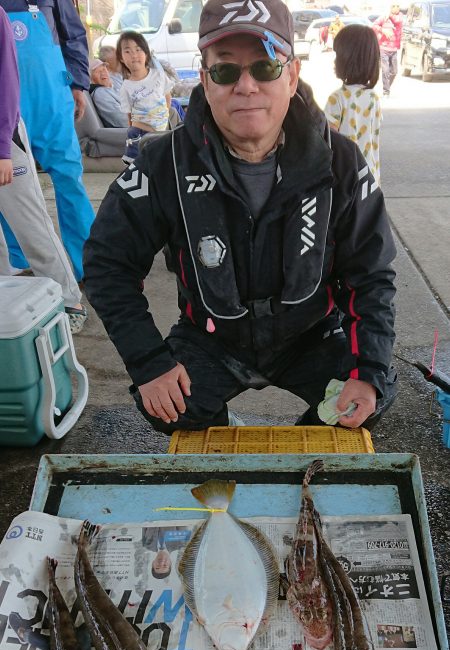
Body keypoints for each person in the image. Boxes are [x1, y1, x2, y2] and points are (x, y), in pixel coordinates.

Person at [83, 0, 397, 434]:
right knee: (169, 408)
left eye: (265, 68)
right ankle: (220, 438)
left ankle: (305, 448)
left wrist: (368, 370)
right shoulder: (161, 162)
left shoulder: (341, 161)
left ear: (291, 75)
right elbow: (108, 264)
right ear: (206, 80)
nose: (245, 85)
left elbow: (373, 273)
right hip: (210, 337)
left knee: (367, 399)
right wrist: (149, 361)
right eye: (226, 71)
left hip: (312, 334)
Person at [0, 6, 87, 333]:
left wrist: (79, 82)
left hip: (17, 123)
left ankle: (74, 290)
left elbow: (6, 78)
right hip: (10, 120)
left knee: (38, 210)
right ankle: (12, 293)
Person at [324, 24, 382, 185]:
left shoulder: (338, 98)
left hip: (346, 181)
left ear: (347, 58)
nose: (334, 61)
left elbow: (326, 142)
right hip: (370, 178)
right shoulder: (373, 97)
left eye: (337, 55)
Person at [116, 30, 174, 163]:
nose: (134, 55)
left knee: (161, 166)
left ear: (146, 53)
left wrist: (162, 119)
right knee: (138, 168)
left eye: (138, 49)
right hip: (139, 133)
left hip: (160, 132)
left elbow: (167, 97)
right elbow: (129, 116)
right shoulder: (126, 87)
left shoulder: (158, 75)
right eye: (127, 51)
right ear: (121, 58)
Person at [373, 4, 403, 96]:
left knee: (394, 71)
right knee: (385, 70)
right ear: (390, 8)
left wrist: (389, 15)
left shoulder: (400, 17)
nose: (396, 7)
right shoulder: (383, 17)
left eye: (398, 6)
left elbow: (397, 21)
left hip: (394, 49)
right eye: (394, 6)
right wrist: (383, 30)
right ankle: (386, 91)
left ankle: (387, 86)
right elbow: (374, 25)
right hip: (384, 48)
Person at [89, 58, 129, 128]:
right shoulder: (100, 93)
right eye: (98, 71)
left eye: (104, 69)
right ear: (90, 78)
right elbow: (122, 120)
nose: (103, 73)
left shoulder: (112, 86)